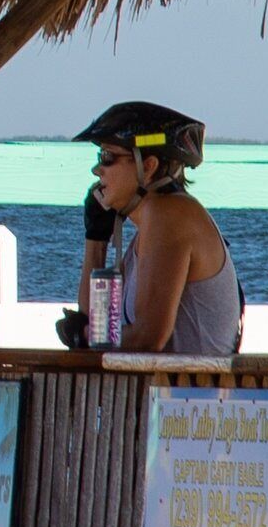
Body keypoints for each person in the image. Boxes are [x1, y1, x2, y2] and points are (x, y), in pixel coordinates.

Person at [73, 101, 243, 358]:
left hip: (191, 393)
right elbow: (97, 322)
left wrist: (82, 335)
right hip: (171, 390)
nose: (97, 169)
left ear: (148, 166)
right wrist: (96, 238)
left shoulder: (170, 214)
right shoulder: (148, 229)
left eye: (107, 157)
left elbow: (148, 337)